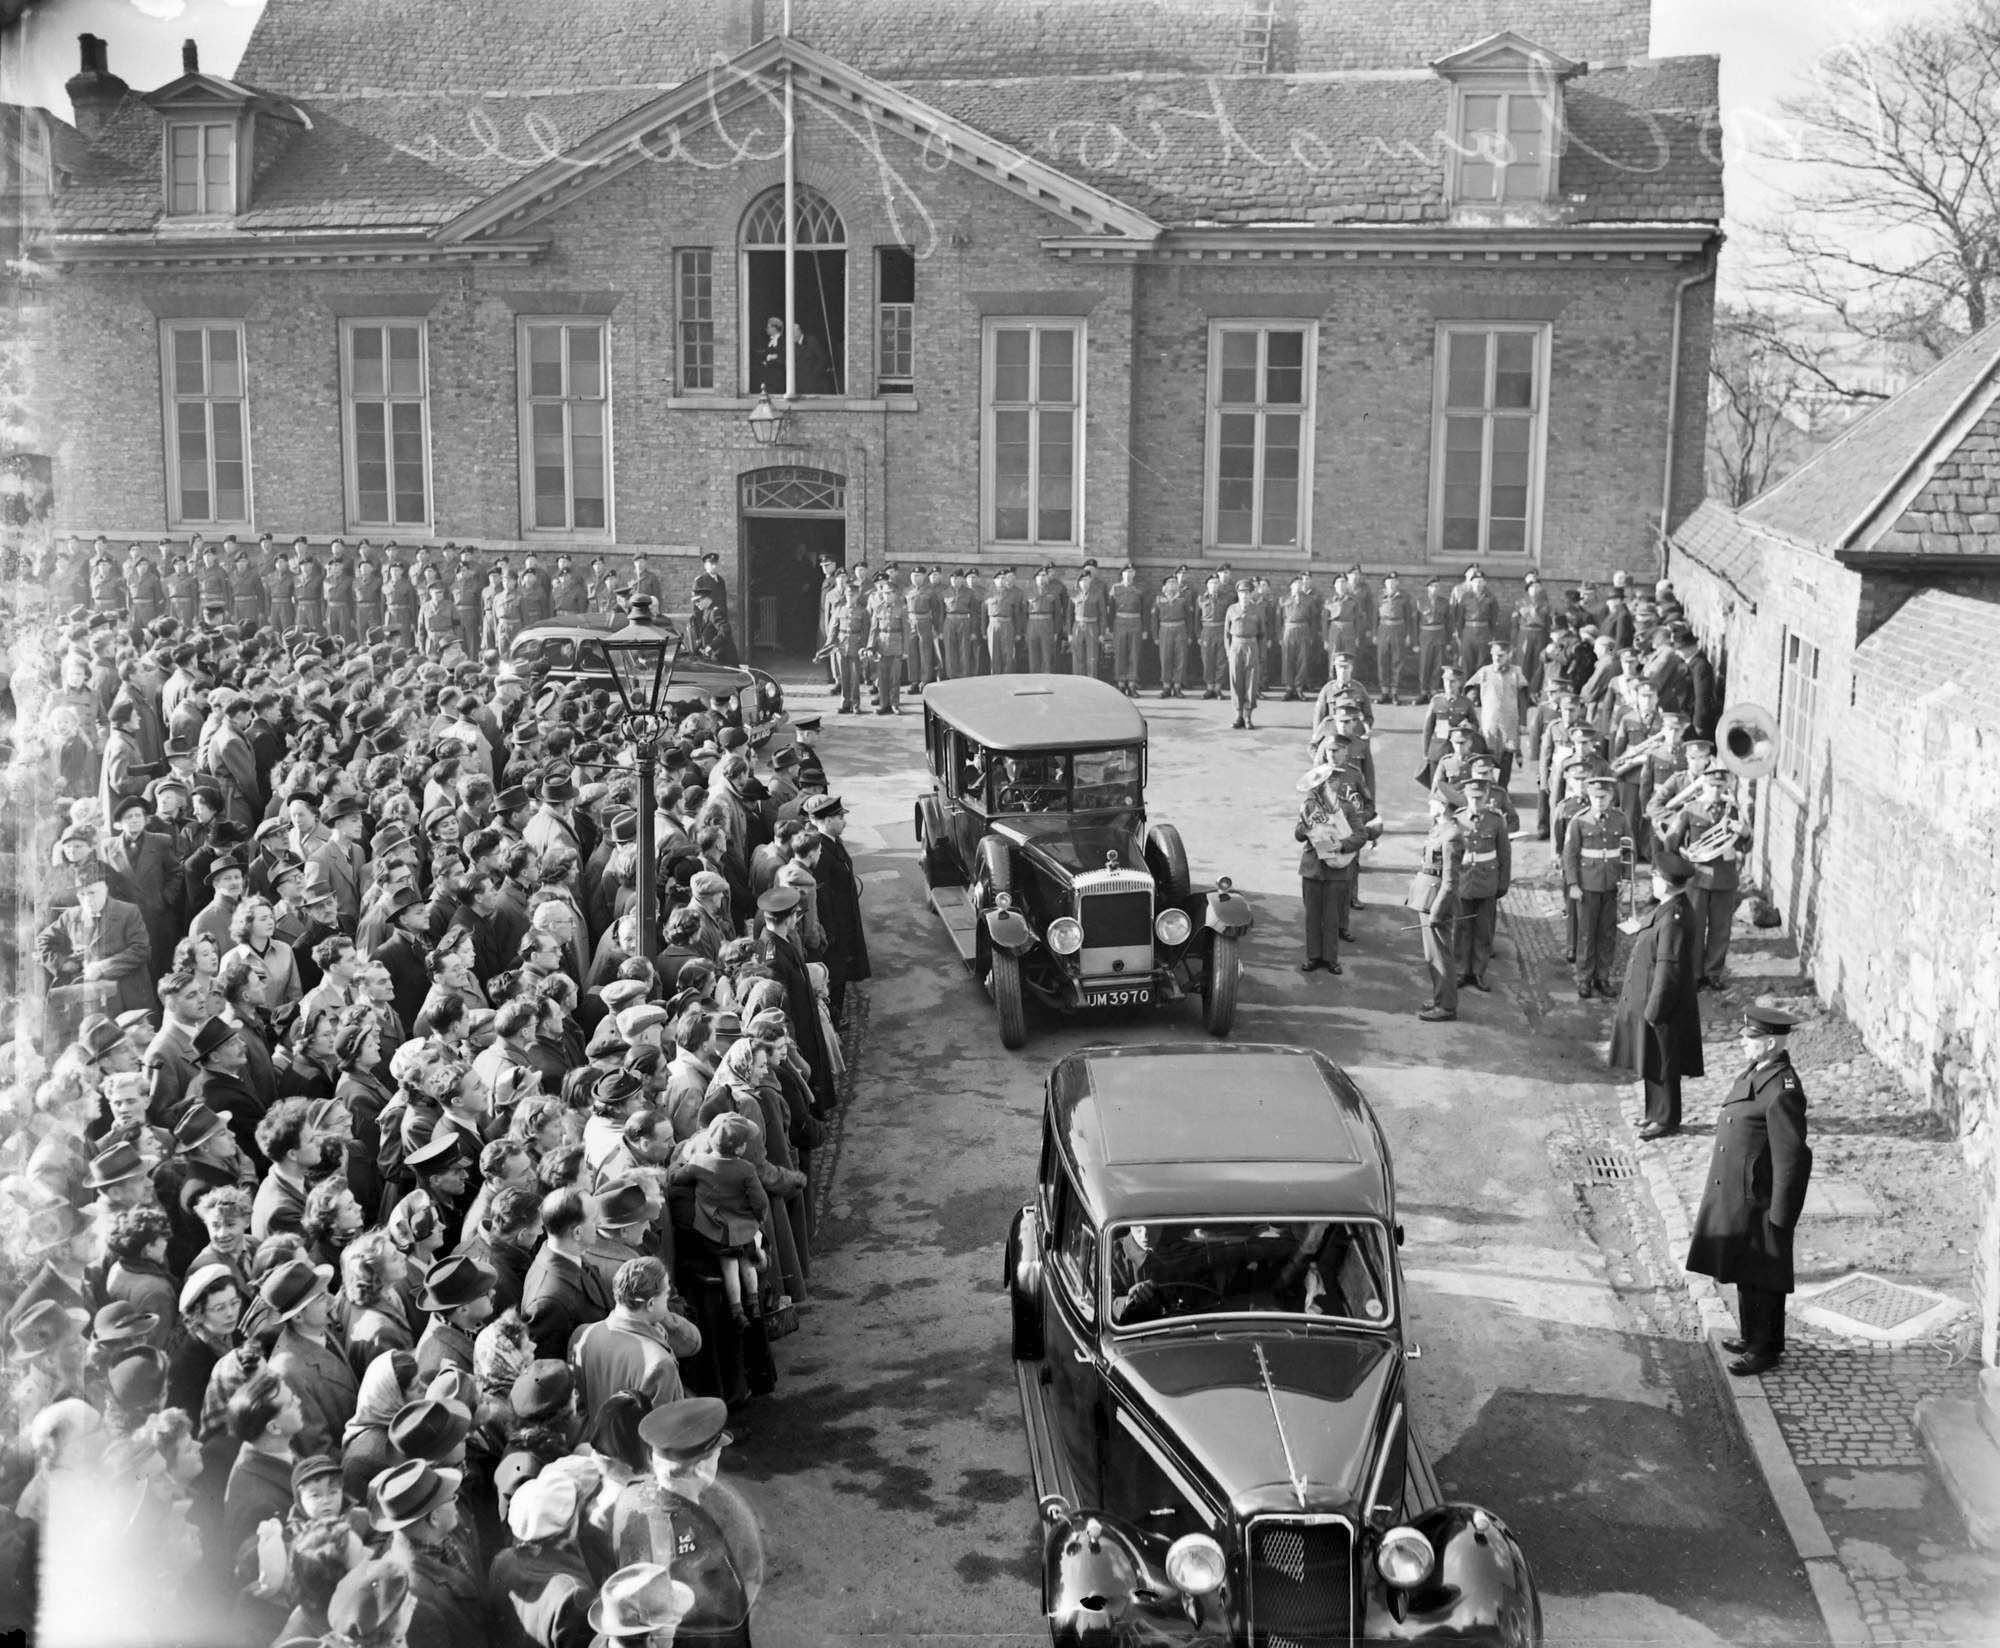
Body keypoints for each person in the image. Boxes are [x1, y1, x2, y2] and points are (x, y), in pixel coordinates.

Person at [1685, 1006, 1813, 1376]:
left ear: (1770, 1042)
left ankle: (1766, 1348)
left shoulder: (1783, 1090)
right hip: (1741, 1193)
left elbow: (1792, 1158)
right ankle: (1750, 1334)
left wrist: (1781, 1215)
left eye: (1749, 1038)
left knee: (1765, 1275)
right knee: (1746, 1267)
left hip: (1761, 1198)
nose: (1742, 1042)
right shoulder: (1759, 1071)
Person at [1608, 862, 1703, 1139]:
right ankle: (1654, 1113)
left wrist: (1655, 1009)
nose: (1653, 881)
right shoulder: (1668, 908)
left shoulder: (1675, 917)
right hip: (1651, 998)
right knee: (1653, 1058)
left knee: (1664, 1062)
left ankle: (1666, 1118)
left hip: (1662, 1003)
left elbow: (1668, 969)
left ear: (1666, 882)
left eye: (1655, 877)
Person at [1560, 773, 1630, 1000]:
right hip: (1587, 886)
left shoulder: (1620, 820)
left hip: (1611, 885)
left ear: (1611, 797)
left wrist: (1627, 881)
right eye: (1595, 797)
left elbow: (1628, 851)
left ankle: (1603, 976)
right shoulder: (1579, 821)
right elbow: (1569, 855)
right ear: (1589, 797)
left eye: (1604, 797)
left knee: (1607, 934)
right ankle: (1584, 978)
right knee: (1586, 934)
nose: (1599, 801)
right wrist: (1572, 884)